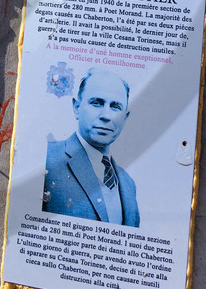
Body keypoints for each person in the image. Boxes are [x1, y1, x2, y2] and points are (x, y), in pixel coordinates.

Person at [42, 69, 140, 225]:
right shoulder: (47, 158)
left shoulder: (128, 184)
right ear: (76, 107)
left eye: (115, 106)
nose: (106, 116)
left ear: (125, 118)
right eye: (97, 103)